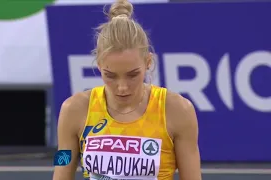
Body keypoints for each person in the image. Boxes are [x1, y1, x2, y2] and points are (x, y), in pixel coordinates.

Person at [52, 0, 201, 179]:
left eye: (132, 75)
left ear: (148, 62)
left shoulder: (177, 110)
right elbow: (61, 166)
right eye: (111, 76)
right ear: (99, 65)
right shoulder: (73, 109)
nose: (122, 87)